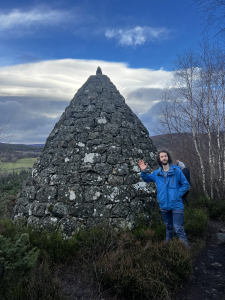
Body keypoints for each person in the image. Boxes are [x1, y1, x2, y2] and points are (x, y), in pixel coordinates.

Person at [138, 150, 190, 247]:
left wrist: (177, 195)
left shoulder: (177, 171)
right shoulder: (156, 173)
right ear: (159, 159)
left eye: (165, 156)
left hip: (177, 204)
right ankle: (168, 248)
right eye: (161, 156)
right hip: (164, 205)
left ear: (168, 157)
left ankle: (186, 251)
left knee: (178, 228)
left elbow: (186, 185)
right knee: (169, 227)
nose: (164, 158)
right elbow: (146, 179)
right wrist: (143, 170)